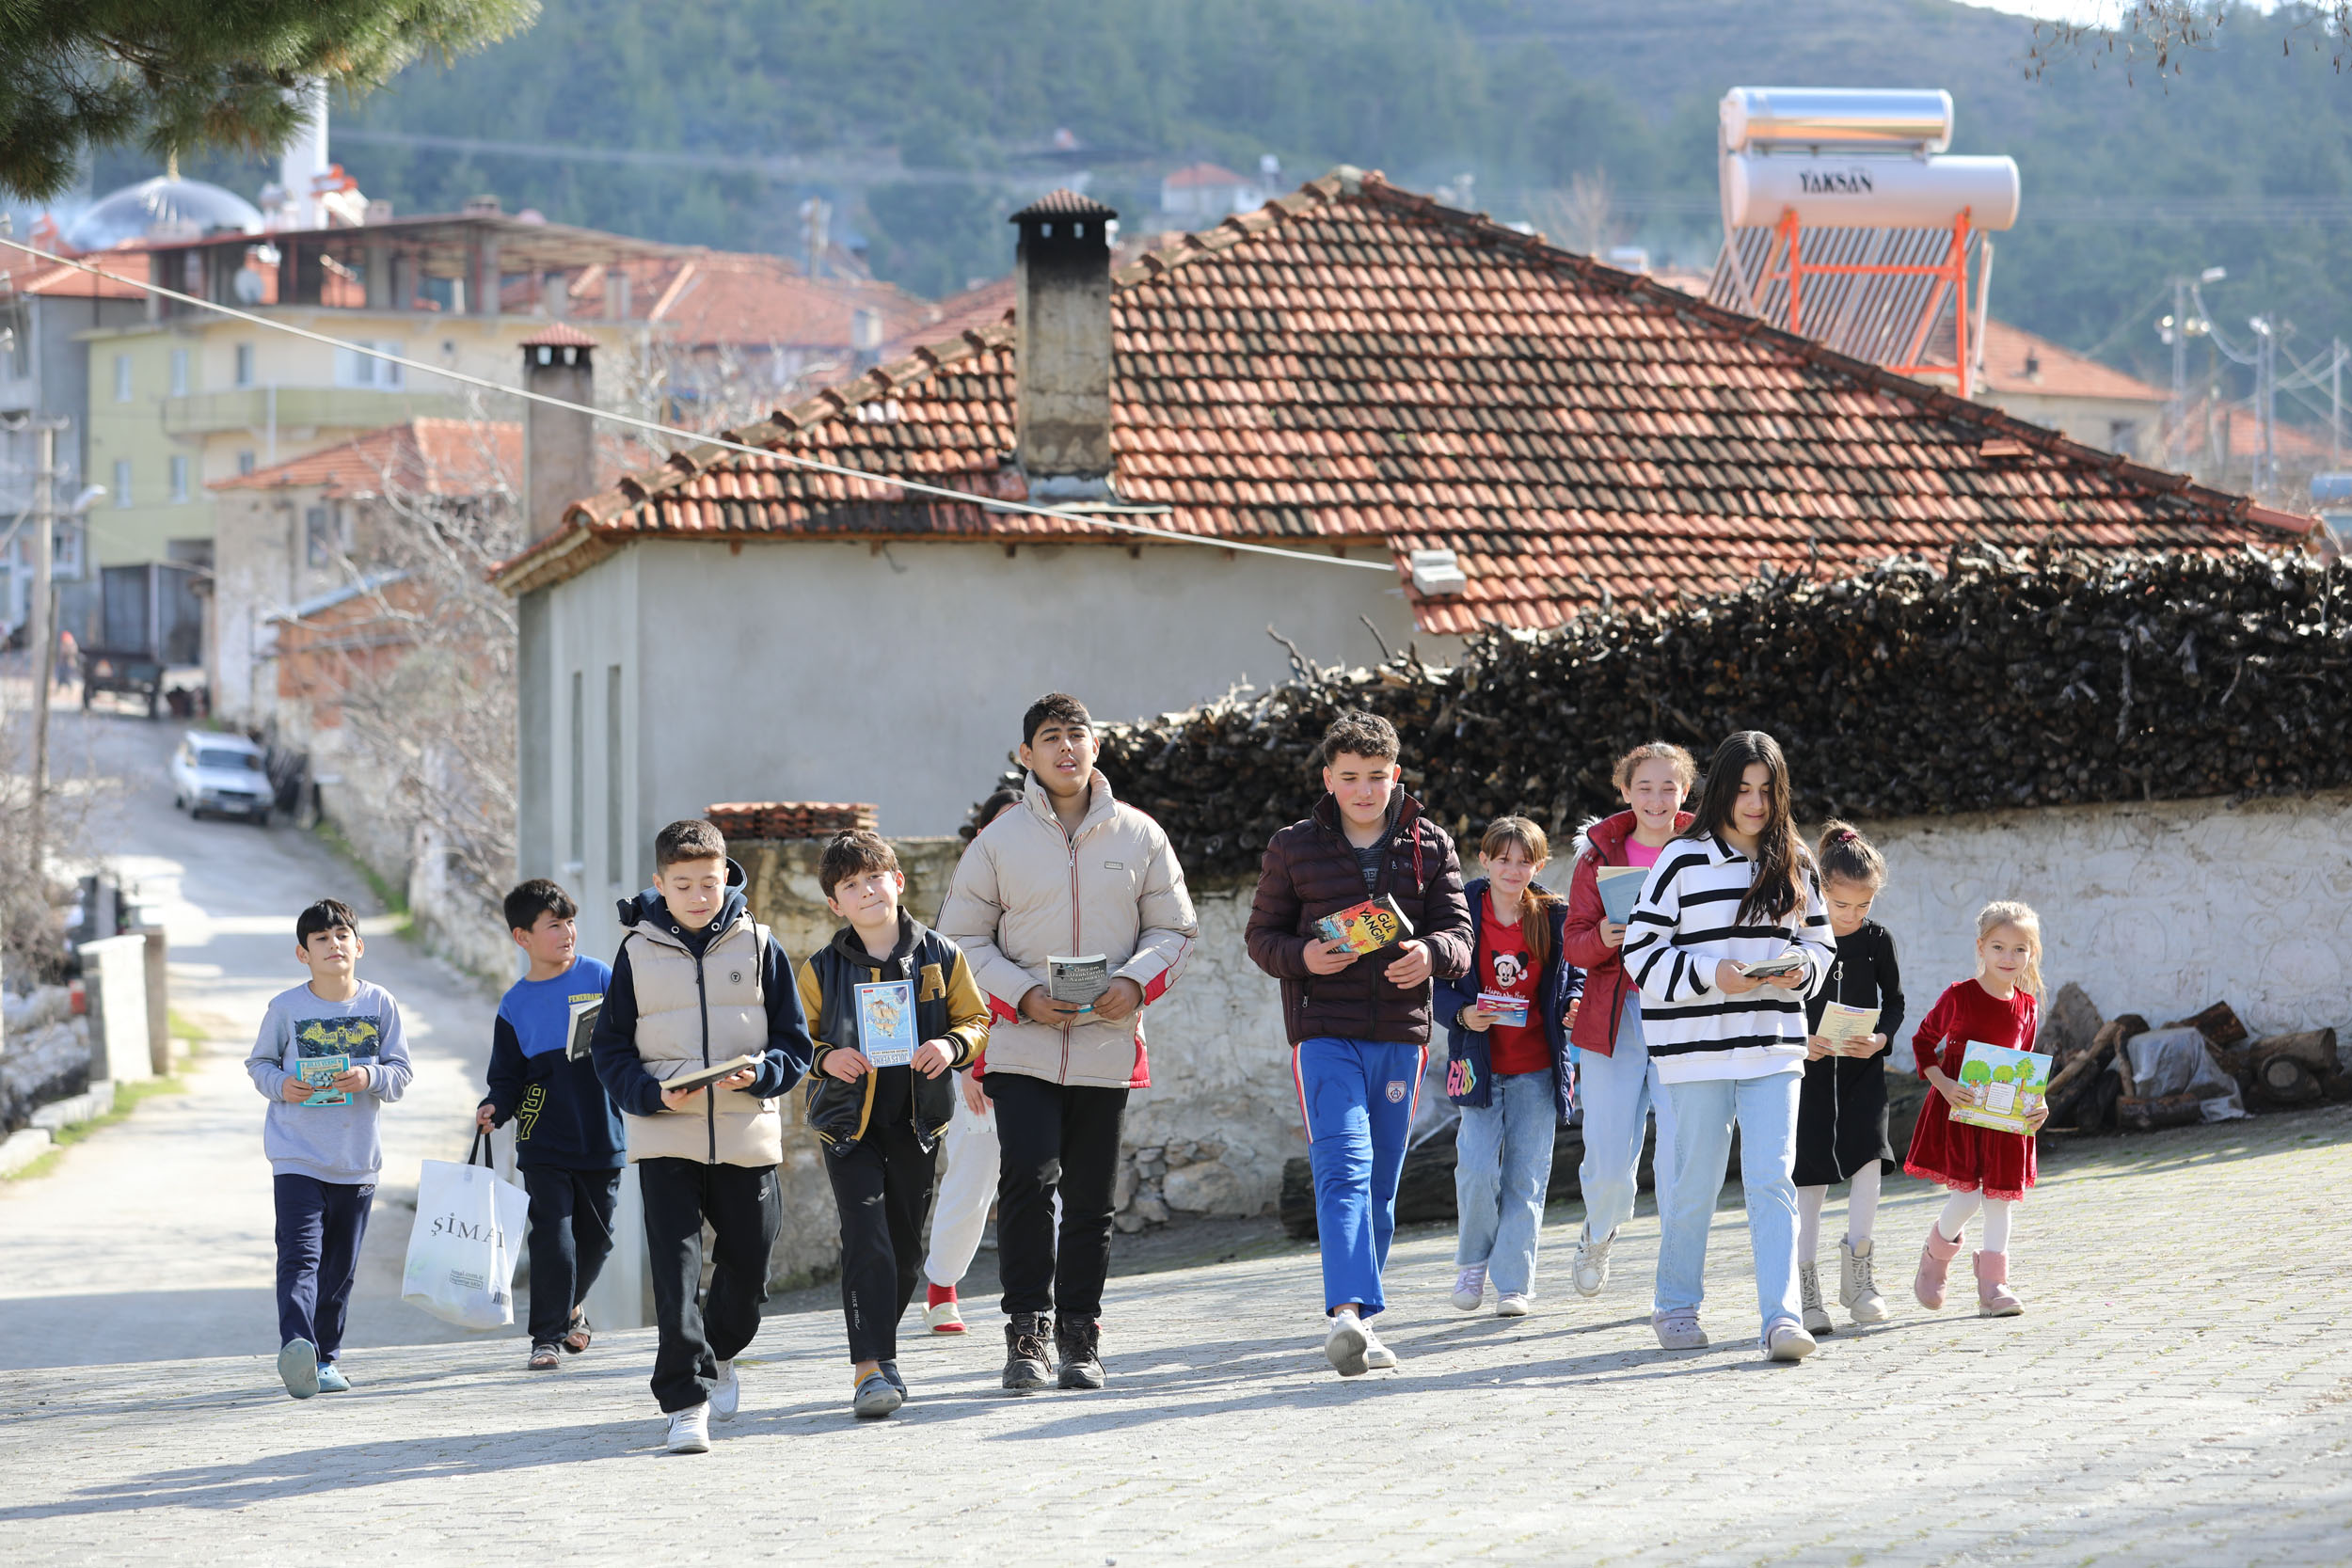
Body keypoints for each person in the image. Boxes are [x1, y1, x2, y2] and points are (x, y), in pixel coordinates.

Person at [940, 694, 1197, 1394]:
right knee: (1028, 1180)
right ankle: (1027, 1335)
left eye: (1075, 735)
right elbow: (959, 940)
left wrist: (1136, 983)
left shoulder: (1141, 836)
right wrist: (1021, 993)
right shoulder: (996, 843)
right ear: (1027, 754)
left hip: (1107, 1044)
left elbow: (1174, 929)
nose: (1065, 749)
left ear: (1096, 747)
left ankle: (1081, 1334)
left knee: (1091, 1198)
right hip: (1021, 1042)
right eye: (1049, 738)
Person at [1246, 709, 1472, 1377]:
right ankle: (1345, 1311)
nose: (1365, 790)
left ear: (1395, 774)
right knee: (1342, 1165)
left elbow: (1461, 936)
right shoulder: (1292, 846)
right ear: (1329, 778)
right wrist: (1306, 957)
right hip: (1323, 1034)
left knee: (1380, 1182)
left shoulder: (1432, 845)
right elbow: (1262, 938)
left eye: (1376, 776)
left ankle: (1363, 1323)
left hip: (1402, 1037)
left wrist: (1431, 955)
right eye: (1350, 777)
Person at [589, 819, 814, 1454]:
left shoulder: (762, 945)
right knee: (676, 1270)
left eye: (708, 882)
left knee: (751, 1265)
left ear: (727, 877)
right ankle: (686, 1401)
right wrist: (648, 1094)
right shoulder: (634, 952)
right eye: (682, 883)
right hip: (666, 1135)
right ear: (660, 883)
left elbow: (795, 1044)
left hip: (746, 1130)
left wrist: (764, 1073)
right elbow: (610, 1048)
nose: (697, 894)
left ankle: (718, 1351)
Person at [1621, 730, 1836, 1363]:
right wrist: (1710, 974)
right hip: (1695, 1052)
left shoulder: (1795, 857)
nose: (1754, 802)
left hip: (1774, 1045)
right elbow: (1640, 952)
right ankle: (1677, 1301)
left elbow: (1822, 943)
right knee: (1695, 1181)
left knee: (1773, 1179)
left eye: (1766, 791)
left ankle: (1781, 1316)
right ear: (1721, 789)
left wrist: (1803, 969)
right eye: (1743, 789)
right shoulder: (1680, 860)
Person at [800, 831, 990, 1418]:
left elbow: (977, 1019)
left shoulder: (942, 955)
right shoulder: (820, 969)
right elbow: (790, 1040)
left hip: (917, 1122)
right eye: (849, 887)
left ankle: (886, 1355)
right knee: (865, 1236)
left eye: (874, 879)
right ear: (835, 903)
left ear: (898, 881)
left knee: (905, 1247)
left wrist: (951, 1045)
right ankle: (868, 1369)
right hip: (846, 1126)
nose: (866, 892)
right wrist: (825, 1056)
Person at [243, 898, 413, 1400]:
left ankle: (326, 1359)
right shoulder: (286, 1008)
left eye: (342, 936)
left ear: (358, 946)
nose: (333, 945)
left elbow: (400, 1073)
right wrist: (281, 1085)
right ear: (303, 954)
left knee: (339, 1268)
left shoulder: (380, 1004)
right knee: (299, 1257)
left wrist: (368, 1075)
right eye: (321, 939)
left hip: (357, 1161)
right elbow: (259, 1064)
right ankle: (298, 1344)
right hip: (296, 1156)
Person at [1560, 741, 1695, 1299]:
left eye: (1669, 787)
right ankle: (1598, 1228)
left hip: (1684, 1014)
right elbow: (1572, 942)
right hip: (1613, 1018)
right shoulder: (1596, 857)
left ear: (1685, 792)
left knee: (1682, 1151)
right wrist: (1604, 938)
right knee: (1610, 1155)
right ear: (1624, 792)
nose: (1657, 798)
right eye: (1645, 787)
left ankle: (1677, 1267)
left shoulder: (1707, 848)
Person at [474, 879, 624, 1370]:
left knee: (597, 1238)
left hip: (601, 1130)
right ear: (523, 938)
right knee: (552, 1235)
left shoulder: (601, 976)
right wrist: (496, 1106)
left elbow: (632, 1041)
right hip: (542, 1135)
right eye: (554, 925)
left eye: (570, 922)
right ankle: (545, 1337)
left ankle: (571, 1309)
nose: (567, 933)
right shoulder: (515, 1004)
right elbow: (507, 1077)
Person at [1437, 816, 1581, 1318]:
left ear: (1539, 865)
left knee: (1527, 1178)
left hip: (1538, 1069)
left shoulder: (1555, 915)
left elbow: (1575, 973)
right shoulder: (1459, 913)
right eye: (1503, 858)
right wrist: (1460, 1013)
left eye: (1525, 861)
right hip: (1477, 1065)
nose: (1513, 869)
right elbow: (1433, 981)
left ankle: (1513, 1283)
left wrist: (1574, 1004)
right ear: (1485, 860)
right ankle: (1473, 1263)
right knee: (1475, 1170)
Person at [1904, 900, 2047, 1318]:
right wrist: (1945, 1085)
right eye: (1999, 947)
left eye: (2020, 949)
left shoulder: (2027, 1006)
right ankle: (1934, 1261)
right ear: (1981, 947)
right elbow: (1922, 1043)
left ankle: (1994, 1288)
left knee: (1999, 1202)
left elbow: (2027, 1068)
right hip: (1960, 1113)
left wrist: (2039, 1105)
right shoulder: (1959, 996)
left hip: (2005, 1121)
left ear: (2031, 954)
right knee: (1966, 1200)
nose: (2009, 957)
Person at [921, 785, 1025, 1335]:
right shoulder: (961, 907)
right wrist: (967, 1067)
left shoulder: (1052, 894)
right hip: (976, 1061)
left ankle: (1044, 1287)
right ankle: (942, 1288)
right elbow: (943, 999)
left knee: (1044, 1175)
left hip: (1043, 1055)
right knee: (973, 1173)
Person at [1794, 823, 1904, 1334]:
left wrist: (1881, 1038)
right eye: (1842, 907)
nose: (1853, 917)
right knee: (1809, 1178)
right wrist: (1802, 1039)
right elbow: (1778, 999)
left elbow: (1895, 1003)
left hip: (1864, 1074)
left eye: (1863, 908)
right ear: (1820, 891)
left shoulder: (1879, 941)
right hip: (1809, 1075)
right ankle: (1805, 1289)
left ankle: (1859, 1278)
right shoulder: (1798, 934)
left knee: (1870, 1164)